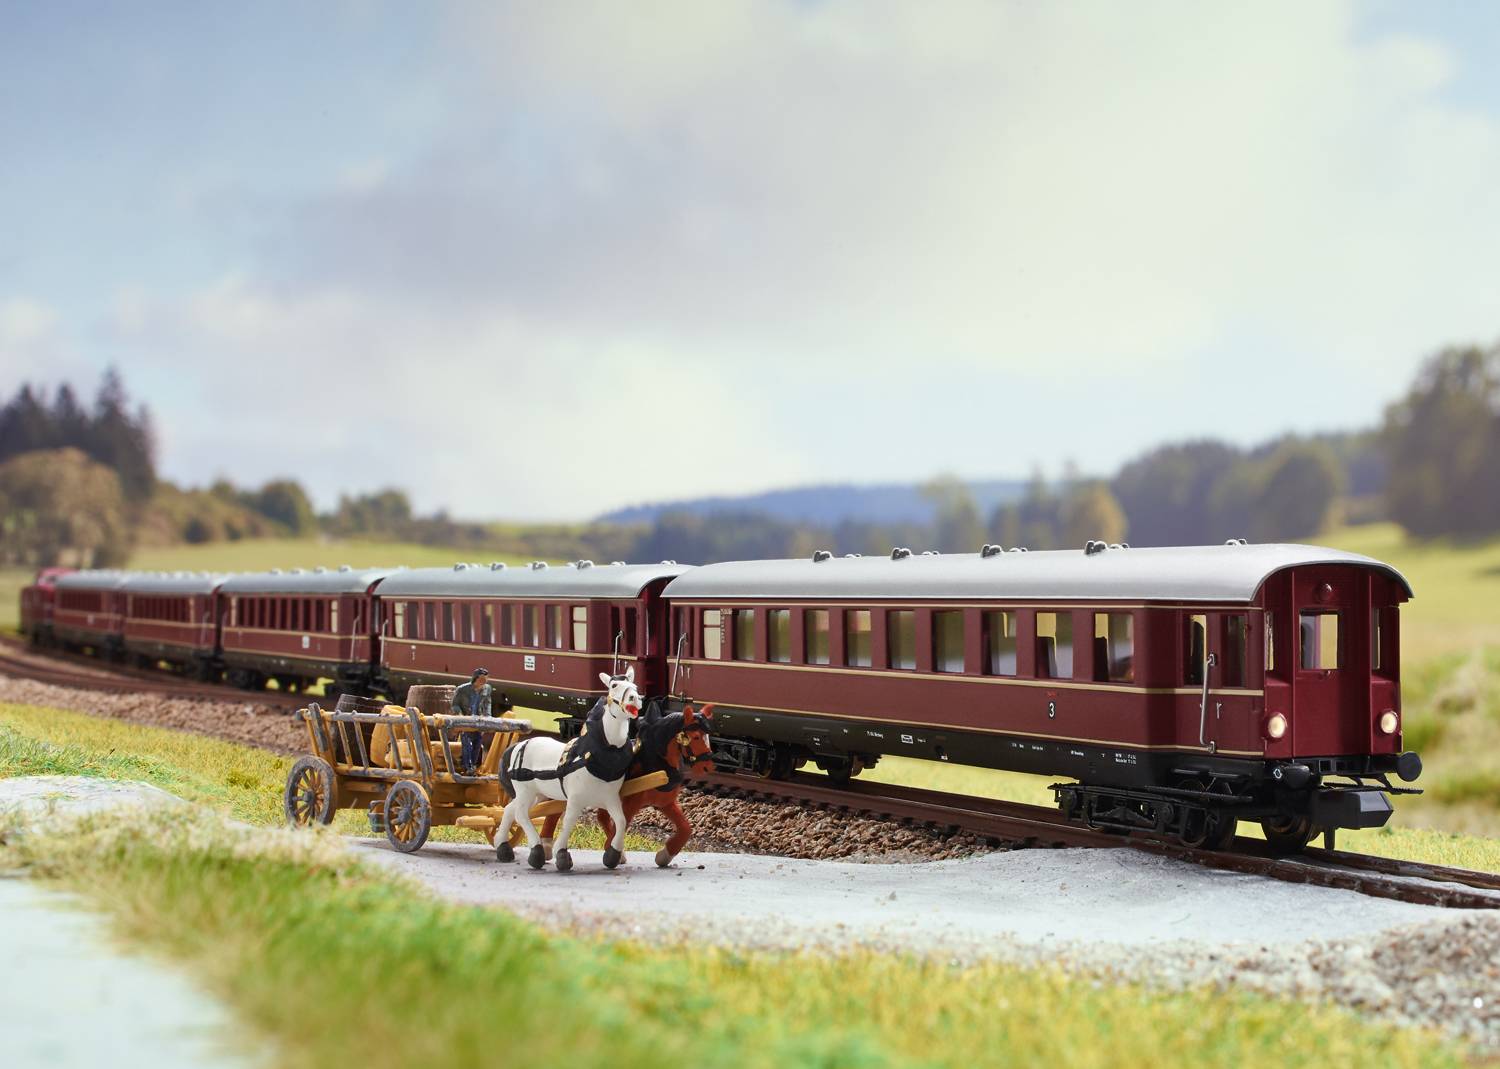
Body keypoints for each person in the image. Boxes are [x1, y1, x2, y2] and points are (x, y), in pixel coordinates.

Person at [452, 668, 493, 775]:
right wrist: (461, 716)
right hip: (467, 721)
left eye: (486, 679)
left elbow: (487, 703)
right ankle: (467, 767)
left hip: (478, 721)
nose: (484, 682)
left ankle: (473, 766)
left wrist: (487, 716)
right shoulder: (462, 689)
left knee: (478, 743)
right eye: (481, 679)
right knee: (467, 743)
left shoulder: (487, 689)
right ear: (475, 678)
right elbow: (455, 705)